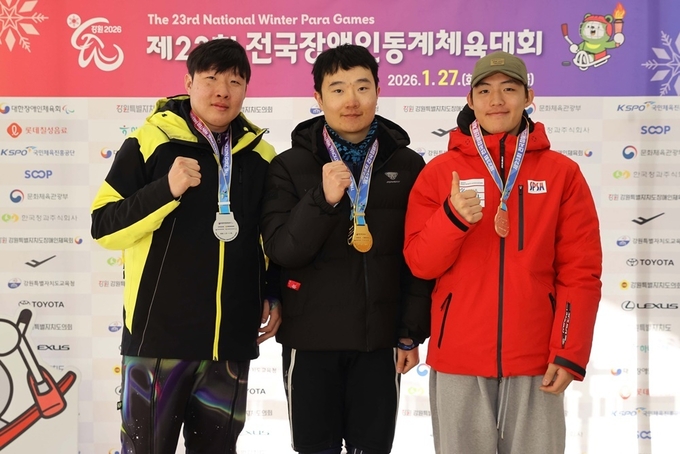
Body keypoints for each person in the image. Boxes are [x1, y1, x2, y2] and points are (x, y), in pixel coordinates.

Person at [403, 51, 602, 454]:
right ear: (470, 100)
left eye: (509, 89)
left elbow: (580, 271)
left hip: (537, 360)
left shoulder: (562, 173)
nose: (496, 100)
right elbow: (420, 263)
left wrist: (568, 351)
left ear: (528, 97)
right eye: (484, 91)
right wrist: (452, 219)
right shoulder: (439, 173)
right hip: (458, 358)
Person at [90, 38, 281, 454]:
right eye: (210, 79)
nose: (222, 91)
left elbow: (272, 238)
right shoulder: (150, 141)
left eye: (234, 82)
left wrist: (273, 292)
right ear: (189, 83)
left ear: (246, 90)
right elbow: (104, 226)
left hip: (229, 347)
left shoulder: (262, 155)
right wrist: (165, 190)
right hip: (158, 343)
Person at [260, 44, 432, 454]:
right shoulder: (288, 166)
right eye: (337, 89)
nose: (351, 100)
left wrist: (409, 333)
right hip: (310, 342)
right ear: (318, 98)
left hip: (380, 343)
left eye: (362, 87)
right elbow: (283, 250)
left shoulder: (409, 166)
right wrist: (322, 199)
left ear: (378, 91)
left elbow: (419, 258)